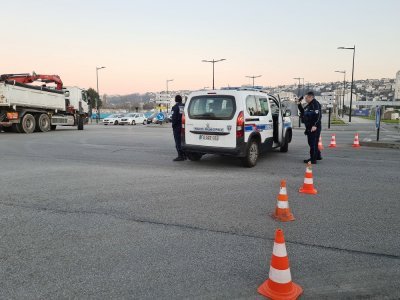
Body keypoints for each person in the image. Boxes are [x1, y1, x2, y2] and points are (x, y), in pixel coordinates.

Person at [297, 91, 322, 164]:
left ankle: (313, 159)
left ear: (311, 97)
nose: (305, 99)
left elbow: (318, 116)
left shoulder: (315, 104)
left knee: (312, 143)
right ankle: (317, 156)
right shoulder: (309, 104)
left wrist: (315, 125)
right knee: (315, 142)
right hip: (310, 126)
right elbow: (303, 112)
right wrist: (299, 104)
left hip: (313, 127)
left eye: (306, 98)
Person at [171, 95, 185, 161]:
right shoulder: (184, 106)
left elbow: (173, 118)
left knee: (178, 141)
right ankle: (184, 155)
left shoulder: (175, 107)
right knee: (183, 140)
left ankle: (180, 156)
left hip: (177, 126)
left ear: (175, 100)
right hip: (184, 125)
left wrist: (173, 125)